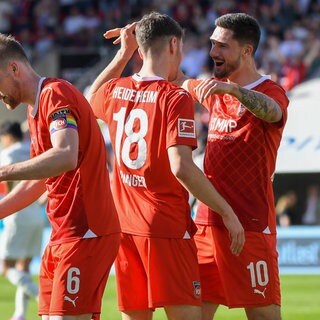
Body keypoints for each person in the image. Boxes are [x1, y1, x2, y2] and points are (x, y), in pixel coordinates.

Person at [86, 11, 244, 320]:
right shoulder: (174, 97)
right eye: (182, 48)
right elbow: (181, 167)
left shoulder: (116, 92)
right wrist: (227, 211)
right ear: (173, 44)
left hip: (125, 226)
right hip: (165, 226)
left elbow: (91, 101)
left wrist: (123, 53)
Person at [177, 13, 290, 320]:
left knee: (264, 315)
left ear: (246, 51)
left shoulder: (269, 90)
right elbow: (173, 79)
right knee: (193, 314)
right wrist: (134, 48)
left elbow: (274, 112)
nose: (214, 52)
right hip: (207, 222)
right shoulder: (212, 87)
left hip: (251, 223)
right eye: (212, 44)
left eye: (222, 46)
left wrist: (235, 91)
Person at [0, 33, 120, 320]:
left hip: (86, 231)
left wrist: (2, 171)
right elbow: (41, 179)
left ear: (14, 69)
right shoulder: (34, 109)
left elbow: (65, 154)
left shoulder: (55, 94)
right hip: (61, 233)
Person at [0, 121, 44, 320]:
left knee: (5, 267)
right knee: (24, 266)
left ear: (7, 137)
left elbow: (7, 188)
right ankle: (20, 314)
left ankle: (41, 296)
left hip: (17, 216)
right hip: (36, 216)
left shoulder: (7, 155)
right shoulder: (33, 149)